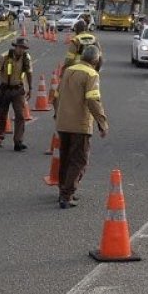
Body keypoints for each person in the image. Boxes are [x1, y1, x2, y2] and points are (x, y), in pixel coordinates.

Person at [51, 45, 108, 209]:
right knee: (79, 160)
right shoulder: (91, 74)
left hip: (63, 123)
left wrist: (58, 115)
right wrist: (102, 122)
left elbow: (56, 96)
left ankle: (63, 190)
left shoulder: (68, 70)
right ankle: (66, 195)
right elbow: (92, 100)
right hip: (79, 124)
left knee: (65, 158)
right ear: (96, 59)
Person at [0, 37, 33, 151]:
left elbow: (29, 73)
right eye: (20, 47)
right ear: (15, 46)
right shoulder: (5, 56)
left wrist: (30, 88)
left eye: (24, 48)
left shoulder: (26, 57)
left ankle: (18, 142)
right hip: (5, 90)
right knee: (2, 114)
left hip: (18, 90)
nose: (22, 50)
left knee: (20, 116)